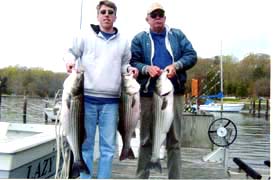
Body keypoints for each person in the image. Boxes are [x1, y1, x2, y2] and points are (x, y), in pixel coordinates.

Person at [63, 0, 138, 178]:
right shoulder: (84, 36)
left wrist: (130, 70)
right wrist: (70, 61)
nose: (106, 15)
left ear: (115, 17)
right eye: (103, 12)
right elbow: (70, 52)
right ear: (97, 16)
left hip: (111, 103)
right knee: (86, 146)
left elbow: (125, 65)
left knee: (108, 148)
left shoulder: (124, 41)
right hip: (85, 100)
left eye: (110, 12)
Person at [130, 2, 197, 179]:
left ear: (165, 18)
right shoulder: (139, 39)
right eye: (154, 15)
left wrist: (177, 65)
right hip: (146, 95)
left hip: (174, 94)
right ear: (148, 19)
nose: (157, 18)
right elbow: (132, 61)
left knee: (174, 140)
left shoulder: (177, 35)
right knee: (145, 139)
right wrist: (146, 69)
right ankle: (141, 176)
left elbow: (191, 55)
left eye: (161, 15)